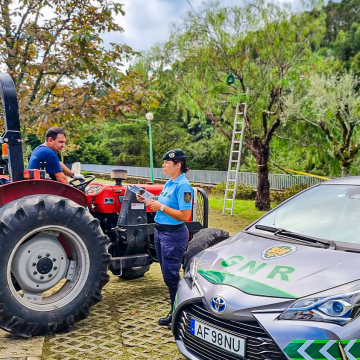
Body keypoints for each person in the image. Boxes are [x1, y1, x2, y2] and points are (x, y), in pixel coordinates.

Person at [137, 149, 193, 329]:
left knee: (172, 277)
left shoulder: (183, 186)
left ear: (178, 165)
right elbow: (164, 204)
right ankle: (174, 311)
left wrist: (160, 207)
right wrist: (147, 199)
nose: (163, 165)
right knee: (168, 277)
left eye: (167, 163)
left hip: (173, 235)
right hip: (161, 233)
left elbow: (185, 216)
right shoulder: (170, 183)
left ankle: (179, 315)